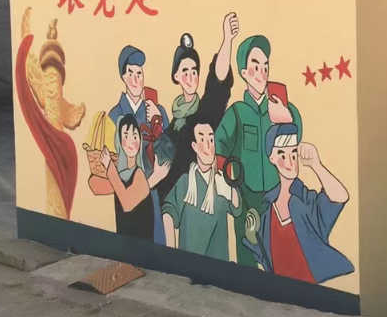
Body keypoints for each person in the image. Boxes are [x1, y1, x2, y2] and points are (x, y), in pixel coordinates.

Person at [215, 34, 302, 267]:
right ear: (244, 72)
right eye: (255, 66)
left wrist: (285, 117)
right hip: (246, 195)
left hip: (276, 193)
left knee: (279, 251)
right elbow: (218, 145)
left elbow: (297, 134)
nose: (262, 72)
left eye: (265, 66)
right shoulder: (237, 111)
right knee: (248, 250)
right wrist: (228, 174)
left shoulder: (282, 108)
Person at [241, 123, 354, 283]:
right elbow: (263, 252)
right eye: (282, 155)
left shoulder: (306, 201)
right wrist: (252, 235)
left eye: (294, 154)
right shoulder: (268, 207)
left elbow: (340, 197)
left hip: (310, 288)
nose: (290, 162)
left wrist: (316, 165)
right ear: (272, 158)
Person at [157, 13, 238, 203]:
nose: (190, 77)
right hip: (173, 205)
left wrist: (227, 40)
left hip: (202, 199)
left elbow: (218, 85)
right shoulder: (173, 126)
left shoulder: (205, 113)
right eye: (184, 71)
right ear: (176, 76)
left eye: (194, 71)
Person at [161, 121, 241, 259]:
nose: (208, 146)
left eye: (211, 140)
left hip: (218, 261)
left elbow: (237, 209)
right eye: (202, 140)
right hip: (189, 262)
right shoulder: (185, 182)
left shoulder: (221, 180)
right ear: (194, 146)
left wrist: (229, 189)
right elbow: (168, 213)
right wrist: (171, 255)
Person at [97, 113, 170, 243]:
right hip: (123, 243)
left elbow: (127, 203)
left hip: (141, 245)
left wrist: (109, 167)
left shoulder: (138, 174)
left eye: (135, 136)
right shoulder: (120, 175)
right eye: (126, 136)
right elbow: (95, 186)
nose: (131, 141)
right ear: (119, 141)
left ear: (140, 141)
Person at [107, 45, 168, 132]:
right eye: (130, 74)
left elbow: (171, 140)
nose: (135, 80)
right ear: (124, 77)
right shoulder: (114, 115)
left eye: (139, 74)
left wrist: (158, 121)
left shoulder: (158, 111)